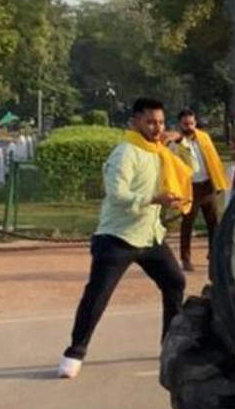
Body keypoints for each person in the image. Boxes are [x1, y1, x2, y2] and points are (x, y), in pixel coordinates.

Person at [58, 97, 192, 379]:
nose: (156, 128)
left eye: (159, 122)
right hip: (117, 237)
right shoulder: (126, 152)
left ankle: (170, 345)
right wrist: (154, 198)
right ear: (135, 122)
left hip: (150, 236)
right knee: (98, 295)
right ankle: (75, 352)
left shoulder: (159, 152)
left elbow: (185, 161)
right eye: (150, 122)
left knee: (175, 282)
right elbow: (117, 195)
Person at [170, 108, 229, 273]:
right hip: (190, 188)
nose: (189, 126)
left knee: (213, 223)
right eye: (185, 124)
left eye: (191, 123)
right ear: (179, 125)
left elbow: (214, 160)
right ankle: (185, 258)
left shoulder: (204, 138)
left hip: (207, 185)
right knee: (187, 224)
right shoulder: (176, 143)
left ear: (195, 123)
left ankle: (214, 254)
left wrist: (218, 183)